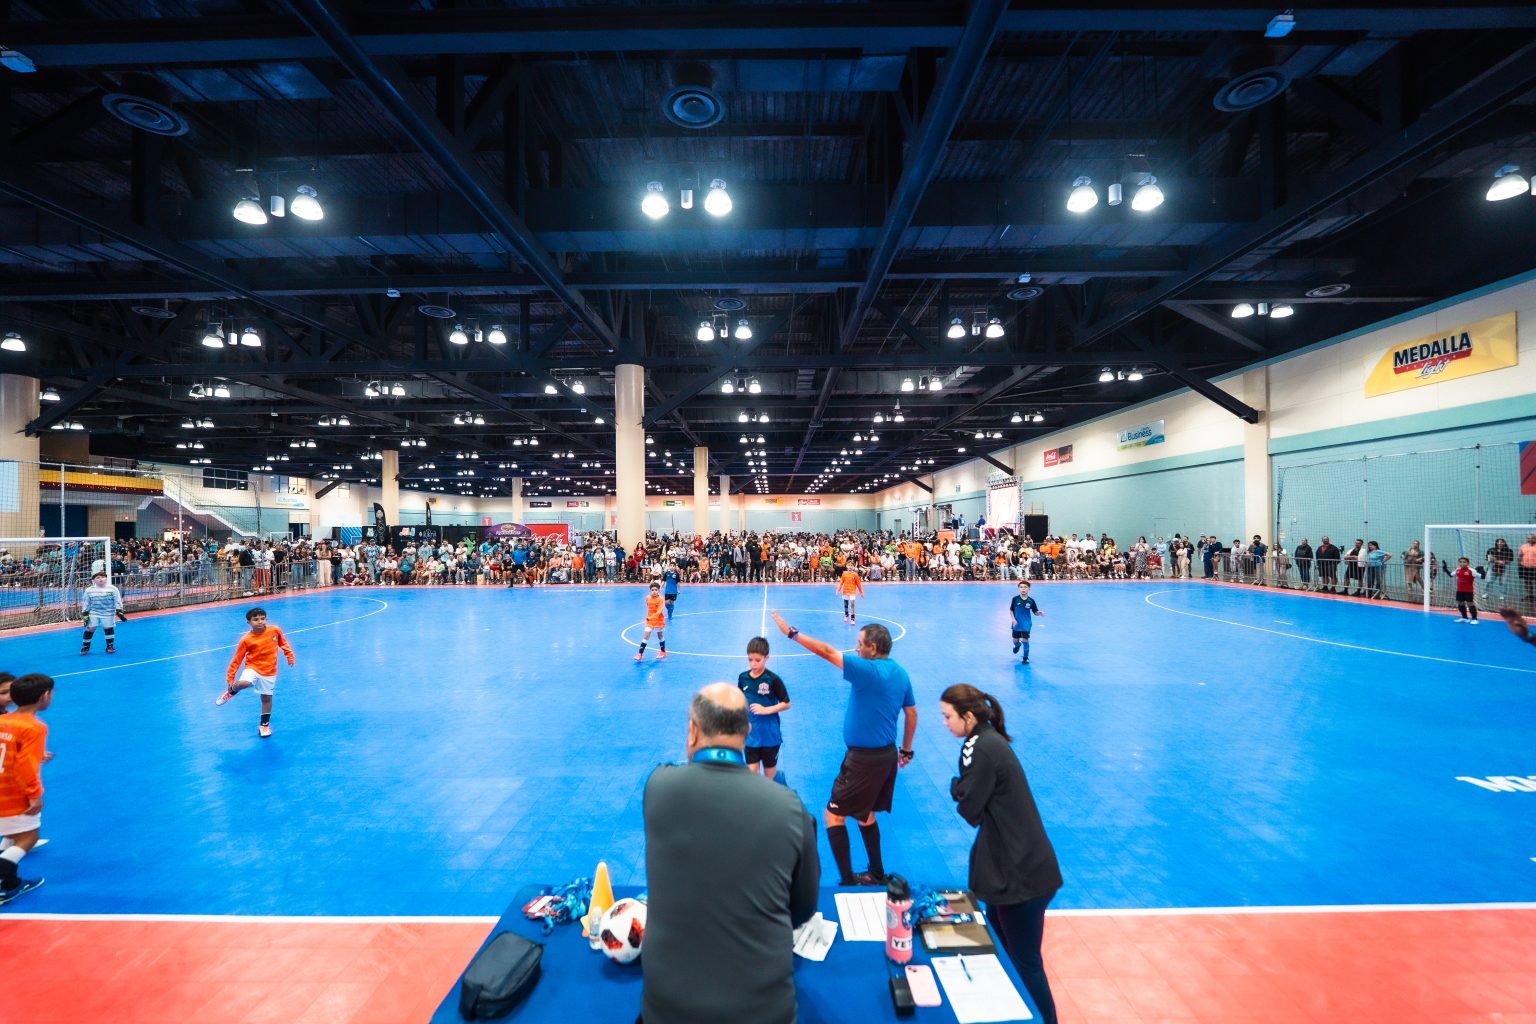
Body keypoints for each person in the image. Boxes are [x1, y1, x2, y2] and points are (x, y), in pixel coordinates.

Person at [640, 683, 819, 1024]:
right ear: (748, 731)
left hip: (669, 1012)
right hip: (765, 1013)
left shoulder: (659, 787)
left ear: (693, 730)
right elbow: (803, 909)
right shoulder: (788, 808)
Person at [940, 684, 1061, 1024]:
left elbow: (970, 809)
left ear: (968, 716)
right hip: (1015, 868)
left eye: (947, 716)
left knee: (1024, 961)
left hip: (1021, 876)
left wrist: (956, 787)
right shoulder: (987, 739)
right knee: (1005, 953)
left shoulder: (978, 748)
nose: (944, 723)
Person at [770, 611, 915, 887]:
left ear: (873, 648)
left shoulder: (868, 671)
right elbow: (912, 713)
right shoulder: (900, 673)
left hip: (864, 761)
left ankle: (848, 881)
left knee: (833, 815)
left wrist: (792, 633)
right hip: (886, 756)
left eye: (860, 644)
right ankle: (876, 873)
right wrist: (906, 750)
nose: (856, 648)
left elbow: (826, 651)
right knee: (865, 814)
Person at [0, 673, 54, 905]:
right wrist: (34, 794)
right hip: (14, 791)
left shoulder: (3, 720)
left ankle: (10, 884)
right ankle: (4, 880)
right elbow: (25, 766)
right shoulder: (34, 727)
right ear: (45, 696)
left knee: (12, 833)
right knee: (29, 837)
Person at [216, 607, 296, 738]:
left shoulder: (275, 630)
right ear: (249, 622)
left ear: (266, 619)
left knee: (266, 698)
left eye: (262, 619)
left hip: (270, 671)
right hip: (252, 667)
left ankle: (264, 726)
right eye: (256, 619)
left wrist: (290, 656)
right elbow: (237, 659)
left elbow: (284, 644)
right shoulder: (246, 640)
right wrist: (230, 678)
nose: (260, 621)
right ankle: (231, 691)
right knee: (244, 683)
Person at [738, 637, 791, 781]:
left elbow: (787, 704)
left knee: (770, 777)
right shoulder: (743, 678)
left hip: (770, 737)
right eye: (750, 660)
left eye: (757, 660)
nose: (753, 664)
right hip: (751, 737)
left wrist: (765, 710)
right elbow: (740, 700)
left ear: (766, 658)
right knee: (752, 778)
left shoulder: (773, 679)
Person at [79, 570, 125, 655]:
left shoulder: (113, 589)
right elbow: (86, 602)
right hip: (94, 612)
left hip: (108, 613)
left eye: (103, 577)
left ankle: (109, 646)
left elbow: (117, 600)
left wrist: (119, 611)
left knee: (108, 628)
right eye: (98, 578)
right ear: (93, 580)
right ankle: (85, 646)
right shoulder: (89, 590)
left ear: (106, 579)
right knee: (90, 628)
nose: (101, 579)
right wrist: (85, 613)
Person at [1009, 580, 1043, 664]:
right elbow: (1011, 610)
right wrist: (1013, 619)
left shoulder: (1031, 601)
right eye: (1021, 587)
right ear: (1018, 589)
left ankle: (1025, 657)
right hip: (1016, 624)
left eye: (1025, 587)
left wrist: (1038, 613)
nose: (1023, 589)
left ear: (1029, 589)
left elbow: (1035, 611)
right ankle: (1017, 645)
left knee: (1025, 641)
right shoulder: (1015, 599)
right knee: (1015, 641)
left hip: (1026, 624)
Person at [635, 582, 667, 661]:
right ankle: (640, 654)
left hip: (658, 620)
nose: (654, 591)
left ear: (659, 591)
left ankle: (663, 652)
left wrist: (651, 617)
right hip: (649, 621)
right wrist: (650, 617)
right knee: (645, 636)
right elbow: (648, 606)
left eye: (656, 590)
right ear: (650, 591)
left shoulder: (661, 600)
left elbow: (659, 611)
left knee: (660, 636)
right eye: (652, 590)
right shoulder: (647, 598)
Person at [1445, 557, 1479, 623]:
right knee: (1460, 603)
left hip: (1468, 591)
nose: (1462, 563)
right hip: (1459, 590)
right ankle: (1464, 617)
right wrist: (1445, 569)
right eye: (1460, 562)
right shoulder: (1457, 570)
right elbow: (1451, 575)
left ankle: (1474, 619)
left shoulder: (1472, 571)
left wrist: (1483, 572)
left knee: (1470, 604)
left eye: (1464, 562)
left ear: (1468, 563)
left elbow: (1482, 577)